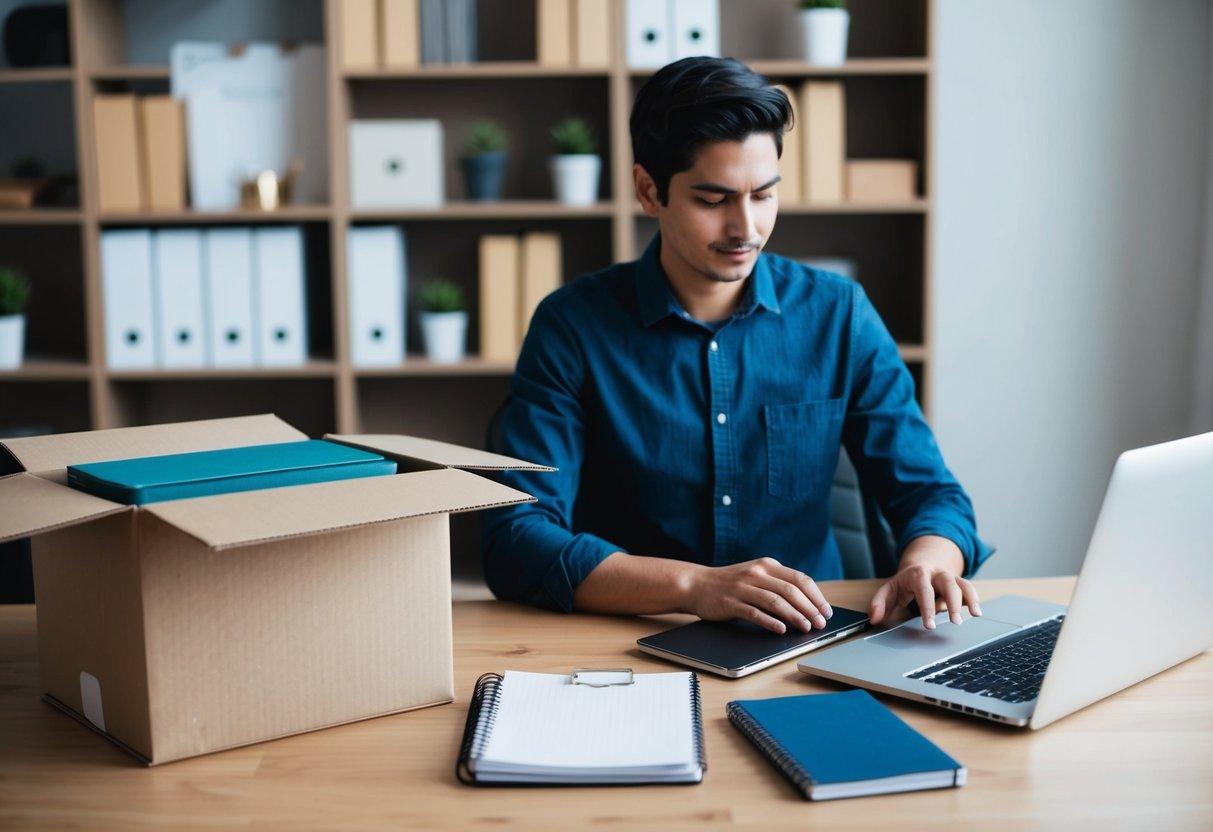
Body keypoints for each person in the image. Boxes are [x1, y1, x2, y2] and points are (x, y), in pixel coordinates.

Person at [480, 56, 992, 635]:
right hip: (630, 638)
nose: (745, 227)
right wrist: (695, 586)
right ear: (650, 191)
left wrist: (928, 562)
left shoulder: (838, 314)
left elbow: (932, 494)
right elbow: (516, 535)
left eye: (764, 195)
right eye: (713, 199)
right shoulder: (572, 327)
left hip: (809, 638)